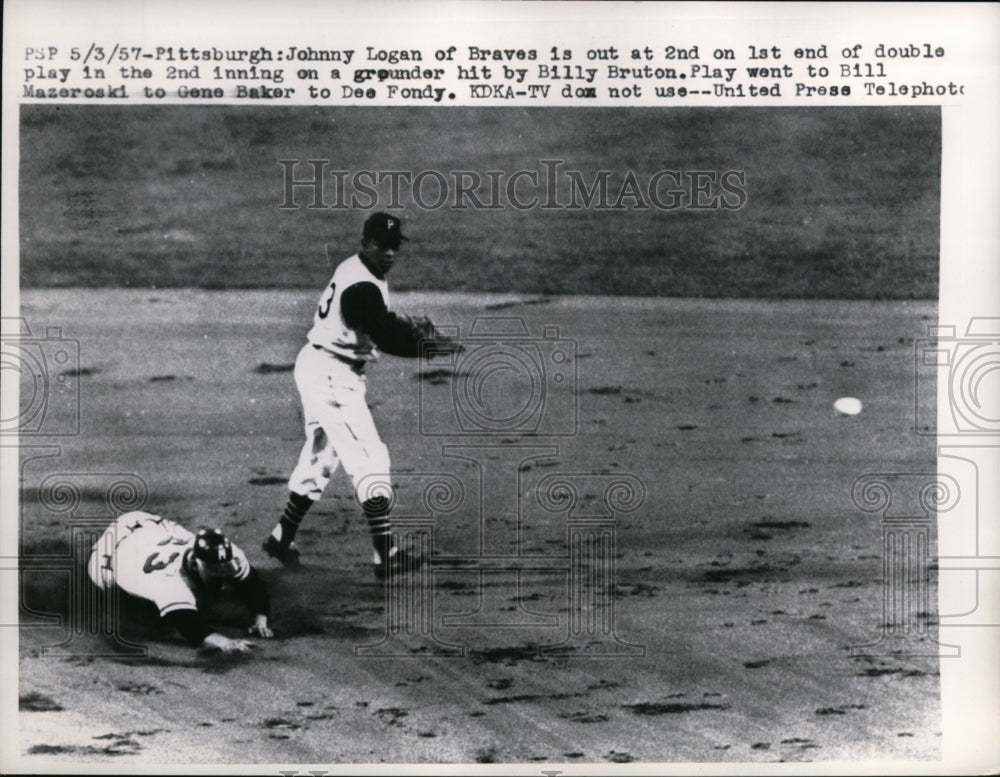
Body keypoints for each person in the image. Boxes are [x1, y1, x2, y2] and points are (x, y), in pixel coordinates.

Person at [262, 212, 460, 578]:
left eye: (394, 246)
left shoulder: (360, 271)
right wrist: (428, 347)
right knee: (369, 457)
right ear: (365, 243)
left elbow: (380, 320)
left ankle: (281, 536)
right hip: (332, 374)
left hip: (321, 367)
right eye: (381, 245)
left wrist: (408, 329)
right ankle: (387, 555)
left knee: (323, 454)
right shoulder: (361, 287)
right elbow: (382, 334)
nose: (388, 253)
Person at [87, 511, 273, 653]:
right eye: (215, 574)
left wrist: (260, 619)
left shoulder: (228, 553)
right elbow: (190, 627)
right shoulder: (170, 582)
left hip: (147, 524)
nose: (223, 579)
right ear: (194, 563)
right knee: (155, 615)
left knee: (203, 592)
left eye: (224, 572)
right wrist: (225, 642)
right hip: (110, 553)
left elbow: (253, 583)